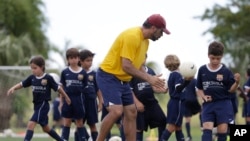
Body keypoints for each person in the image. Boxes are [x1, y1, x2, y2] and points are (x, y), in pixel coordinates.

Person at [96, 13, 170, 141]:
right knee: (116, 111)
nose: (161, 35)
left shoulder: (145, 42)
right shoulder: (132, 36)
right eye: (161, 31)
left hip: (123, 81)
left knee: (131, 112)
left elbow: (138, 65)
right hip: (108, 76)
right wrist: (149, 79)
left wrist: (151, 81)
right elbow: (126, 66)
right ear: (153, 28)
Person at [6, 55, 71, 141]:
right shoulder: (32, 78)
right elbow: (22, 84)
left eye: (35, 68)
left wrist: (66, 97)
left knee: (31, 123)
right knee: (46, 128)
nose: (33, 70)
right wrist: (13, 88)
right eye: (31, 68)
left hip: (43, 105)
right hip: (37, 106)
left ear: (42, 67)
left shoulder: (48, 78)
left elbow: (58, 88)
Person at [196, 41, 240, 141]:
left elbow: (231, 90)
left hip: (223, 104)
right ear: (208, 55)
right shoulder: (202, 70)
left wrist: (236, 83)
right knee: (206, 128)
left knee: (222, 132)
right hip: (208, 105)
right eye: (213, 58)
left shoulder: (226, 71)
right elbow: (199, 88)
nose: (215, 61)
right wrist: (203, 96)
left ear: (222, 56)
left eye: (218, 58)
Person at [130, 55, 166, 141]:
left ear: (146, 58)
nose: (142, 59)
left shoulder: (150, 71)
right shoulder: (132, 72)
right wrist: (137, 103)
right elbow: (129, 90)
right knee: (139, 128)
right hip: (139, 104)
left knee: (162, 120)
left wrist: (160, 90)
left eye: (143, 57)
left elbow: (153, 87)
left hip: (151, 103)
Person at [160, 54, 192, 141]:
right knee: (172, 126)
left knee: (178, 127)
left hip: (174, 103)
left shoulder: (172, 75)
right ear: (178, 62)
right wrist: (187, 81)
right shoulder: (177, 75)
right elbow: (178, 88)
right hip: (177, 103)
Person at [60, 48, 88, 141]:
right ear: (68, 59)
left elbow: (85, 88)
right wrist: (61, 102)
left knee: (79, 123)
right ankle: (64, 139)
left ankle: (83, 139)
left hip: (78, 100)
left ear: (79, 59)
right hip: (67, 100)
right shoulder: (65, 72)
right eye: (71, 58)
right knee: (67, 122)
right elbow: (61, 88)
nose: (73, 60)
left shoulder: (83, 72)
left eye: (75, 58)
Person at [78, 49, 103, 141]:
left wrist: (100, 102)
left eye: (91, 60)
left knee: (92, 124)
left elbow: (98, 89)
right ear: (80, 61)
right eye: (88, 60)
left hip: (92, 101)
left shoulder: (94, 74)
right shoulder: (78, 73)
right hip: (80, 102)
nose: (90, 63)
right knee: (79, 123)